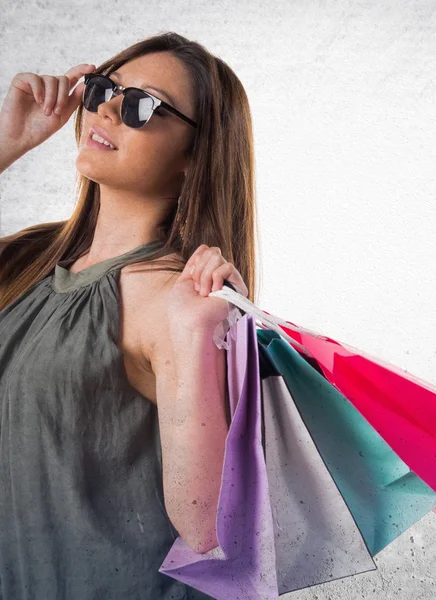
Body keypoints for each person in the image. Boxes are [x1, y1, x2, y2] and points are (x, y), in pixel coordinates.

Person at [0, 31, 257, 599]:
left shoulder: (176, 300)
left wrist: (196, 334)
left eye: (142, 105)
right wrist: (7, 143)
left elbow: (205, 529)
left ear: (196, 156)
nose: (109, 107)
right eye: (103, 88)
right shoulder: (24, 260)